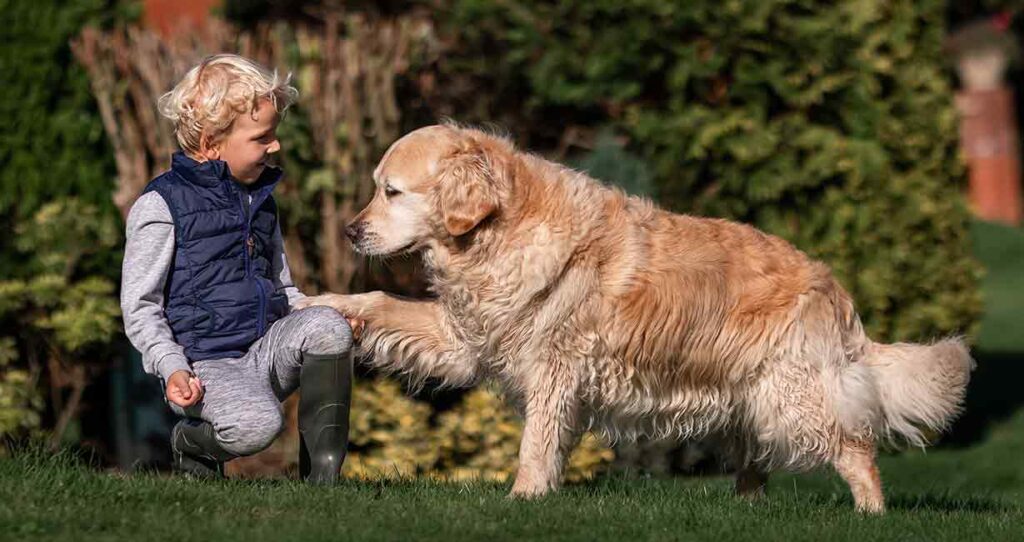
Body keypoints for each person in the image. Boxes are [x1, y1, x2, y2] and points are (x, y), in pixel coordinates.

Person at [120, 54, 353, 483]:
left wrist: (321, 317)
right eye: (262, 137)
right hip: (204, 364)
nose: (275, 146)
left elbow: (283, 286)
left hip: (264, 350)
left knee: (329, 325)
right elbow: (140, 306)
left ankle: (323, 481)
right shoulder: (161, 206)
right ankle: (188, 443)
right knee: (257, 427)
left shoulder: (261, 199)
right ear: (211, 143)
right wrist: (171, 366)